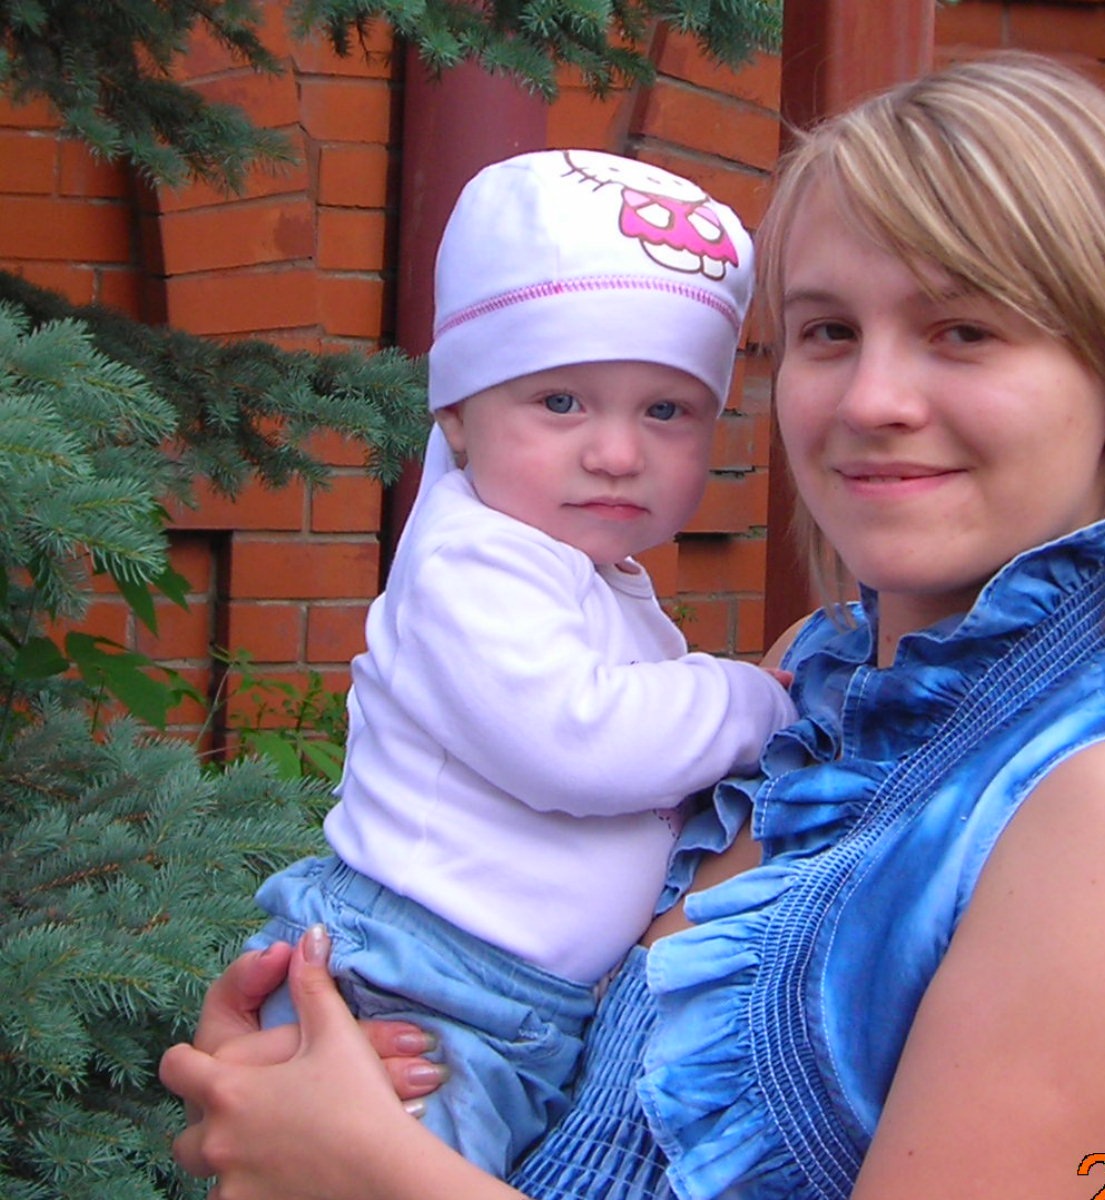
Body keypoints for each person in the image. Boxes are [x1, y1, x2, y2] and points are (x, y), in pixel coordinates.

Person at [161, 51, 1105, 1200]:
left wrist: (367, 1168)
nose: (870, 400)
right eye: (826, 331)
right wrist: (297, 1083)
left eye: (962, 330)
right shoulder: (810, 680)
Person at [237, 147, 798, 1176]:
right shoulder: (475, 561)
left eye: (666, 410)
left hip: (504, 1003)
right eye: (561, 402)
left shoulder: (577, 568)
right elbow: (577, 740)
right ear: (456, 412)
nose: (617, 453)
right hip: (419, 988)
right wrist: (743, 698)